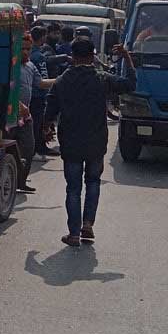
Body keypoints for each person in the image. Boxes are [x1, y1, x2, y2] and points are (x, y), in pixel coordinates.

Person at [43, 37, 135, 247]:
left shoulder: (62, 81)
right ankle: (88, 224)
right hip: (96, 142)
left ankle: (74, 233)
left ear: (72, 56)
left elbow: (50, 111)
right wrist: (127, 57)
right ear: (93, 55)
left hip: (71, 143)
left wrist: (45, 129)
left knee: (73, 188)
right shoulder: (101, 78)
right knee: (93, 182)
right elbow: (130, 84)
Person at [17, 33, 55, 190]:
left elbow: (41, 83)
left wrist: (61, 80)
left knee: (29, 148)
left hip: (25, 116)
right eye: (22, 49)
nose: (25, 52)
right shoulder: (9, 66)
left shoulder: (30, 66)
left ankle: (21, 182)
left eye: (28, 49)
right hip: (10, 115)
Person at [27, 26, 57, 158]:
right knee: (37, 123)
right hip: (38, 95)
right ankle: (36, 148)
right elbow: (43, 79)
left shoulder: (30, 54)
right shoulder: (38, 56)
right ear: (43, 37)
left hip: (29, 94)